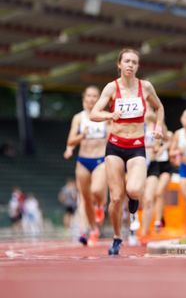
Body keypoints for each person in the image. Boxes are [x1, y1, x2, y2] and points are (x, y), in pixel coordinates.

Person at [90, 48, 165, 255]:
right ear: (119, 65)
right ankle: (116, 237)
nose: (131, 65)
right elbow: (94, 113)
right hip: (115, 146)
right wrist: (110, 114)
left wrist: (158, 127)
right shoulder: (111, 88)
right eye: (127, 61)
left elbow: (159, 108)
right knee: (115, 198)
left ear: (138, 66)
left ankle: (133, 201)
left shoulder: (146, 87)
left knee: (133, 190)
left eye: (134, 62)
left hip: (137, 146)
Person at [64, 85, 108, 246]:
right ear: (84, 98)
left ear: (100, 99)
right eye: (88, 95)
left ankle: (100, 207)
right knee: (84, 199)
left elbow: (112, 139)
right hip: (83, 161)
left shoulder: (105, 117)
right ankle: (88, 229)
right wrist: (82, 135)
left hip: (100, 160)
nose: (91, 99)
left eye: (95, 96)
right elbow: (70, 141)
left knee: (96, 190)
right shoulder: (79, 118)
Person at [140, 110, 172, 243]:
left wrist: (160, 149)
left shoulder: (158, 127)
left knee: (151, 197)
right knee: (134, 197)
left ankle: (146, 232)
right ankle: (131, 224)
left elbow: (168, 138)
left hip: (155, 165)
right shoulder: (136, 125)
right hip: (136, 164)